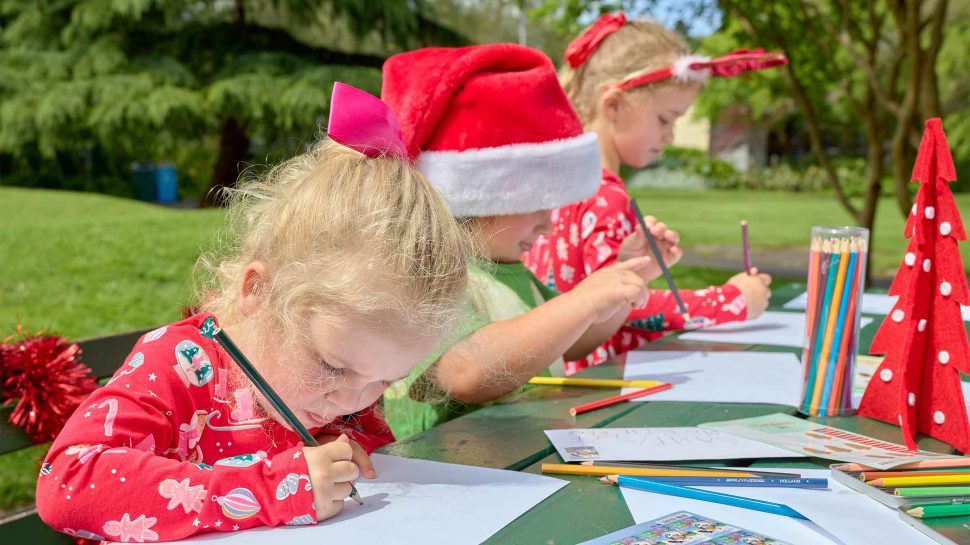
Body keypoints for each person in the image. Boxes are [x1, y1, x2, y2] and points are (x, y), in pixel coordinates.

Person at [36, 83, 474, 540]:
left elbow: (368, 452)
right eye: (332, 367)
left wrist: (337, 454)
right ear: (258, 291)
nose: (351, 402)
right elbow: (67, 483)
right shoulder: (179, 366)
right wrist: (271, 489)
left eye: (384, 382)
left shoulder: (345, 379)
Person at [380, 44, 661, 440]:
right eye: (537, 206)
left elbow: (571, 341)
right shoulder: (431, 274)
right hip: (444, 461)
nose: (549, 225)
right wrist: (584, 300)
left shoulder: (508, 268)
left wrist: (626, 277)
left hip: (511, 451)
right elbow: (466, 373)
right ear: (478, 199)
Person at [524, 13, 785, 374]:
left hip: (547, 373)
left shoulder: (555, 185)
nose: (671, 135)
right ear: (613, 104)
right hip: (588, 383)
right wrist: (730, 300)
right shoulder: (606, 197)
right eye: (665, 118)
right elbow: (621, 305)